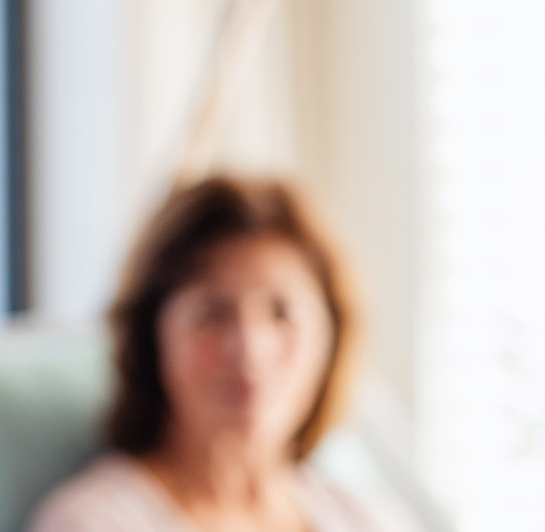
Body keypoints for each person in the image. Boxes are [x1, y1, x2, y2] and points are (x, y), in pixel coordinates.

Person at [29, 176, 421, 532]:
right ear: (152, 337)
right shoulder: (93, 521)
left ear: (330, 337)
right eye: (212, 314)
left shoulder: (371, 518)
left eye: (281, 312)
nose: (250, 350)